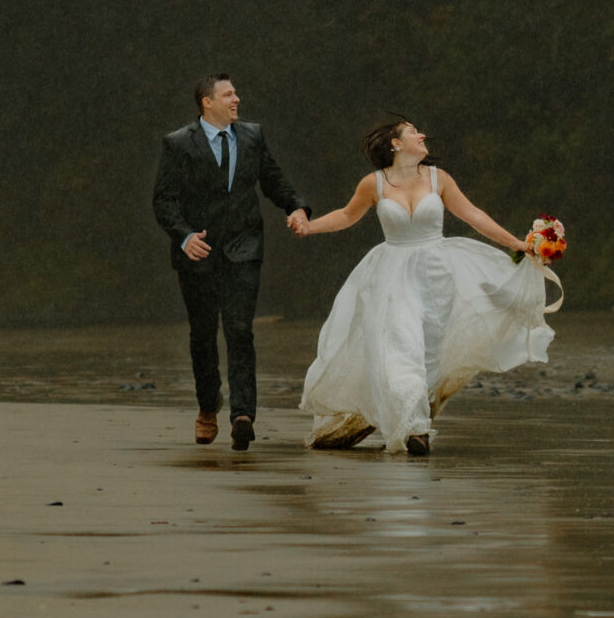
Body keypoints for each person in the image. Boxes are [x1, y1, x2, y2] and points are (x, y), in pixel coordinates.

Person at [293, 117, 558, 455]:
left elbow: (472, 215)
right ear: (395, 144)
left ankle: (417, 415)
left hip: (437, 274)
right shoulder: (372, 184)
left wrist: (517, 243)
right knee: (402, 346)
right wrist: (309, 227)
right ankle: (416, 429)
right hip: (391, 275)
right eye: (412, 132)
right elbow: (347, 216)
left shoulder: (439, 179)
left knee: (429, 351)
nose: (421, 135)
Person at [152, 75, 310, 450]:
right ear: (207, 102)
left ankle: (243, 414)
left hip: (244, 247)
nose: (237, 99)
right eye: (228, 94)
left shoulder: (253, 136)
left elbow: (272, 180)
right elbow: (164, 200)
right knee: (203, 335)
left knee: (240, 329)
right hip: (199, 251)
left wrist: (297, 207)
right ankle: (208, 407)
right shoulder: (177, 143)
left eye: (236, 93)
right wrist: (185, 236)